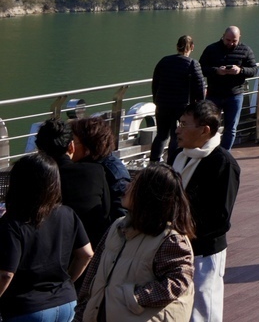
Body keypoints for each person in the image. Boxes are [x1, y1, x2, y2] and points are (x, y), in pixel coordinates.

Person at [81, 165, 195, 322]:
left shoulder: (169, 239)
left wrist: (135, 297)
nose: (126, 187)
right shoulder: (117, 226)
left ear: (148, 194)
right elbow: (93, 272)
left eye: (134, 184)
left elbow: (178, 281)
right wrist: (82, 311)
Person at [0, 152, 94, 322]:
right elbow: (86, 254)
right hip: (66, 303)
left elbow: (6, 274)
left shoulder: (13, 222)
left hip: (26, 308)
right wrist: (66, 282)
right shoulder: (67, 213)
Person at [172, 101, 239, 322]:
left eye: (184, 124)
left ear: (204, 130)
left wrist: (184, 230)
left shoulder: (223, 163)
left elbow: (221, 218)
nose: (178, 129)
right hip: (176, 246)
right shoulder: (179, 156)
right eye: (179, 123)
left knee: (202, 309)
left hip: (204, 251)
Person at [38, 120, 111, 257]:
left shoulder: (35, 176)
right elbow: (106, 212)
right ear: (71, 146)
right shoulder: (95, 172)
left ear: (40, 151)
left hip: (47, 251)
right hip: (93, 249)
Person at [149, 37, 207, 166]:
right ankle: (172, 163)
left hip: (163, 105)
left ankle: (153, 162)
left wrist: (156, 100)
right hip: (182, 106)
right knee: (177, 135)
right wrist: (199, 105)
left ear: (177, 46)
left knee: (161, 134)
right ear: (192, 47)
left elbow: (155, 82)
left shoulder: (164, 61)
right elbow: (199, 87)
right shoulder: (192, 64)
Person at [196, 28, 256, 151]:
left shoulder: (246, 50)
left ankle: (224, 154)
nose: (231, 43)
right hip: (214, 94)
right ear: (223, 36)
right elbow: (201, 68)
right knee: (208, 126)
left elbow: (253, 70)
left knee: (231, 128)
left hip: (235, 95)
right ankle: (208, 152)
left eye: (234, 41)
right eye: (228, 40)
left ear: (239, 37)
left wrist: (240, 70)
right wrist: (216, 71)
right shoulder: (211, 49)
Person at [69, 118, 129, 223]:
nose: (69, 146)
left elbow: (122, 213)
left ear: (87, 148)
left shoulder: (114, 173)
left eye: (73, 141)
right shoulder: (81, 164)